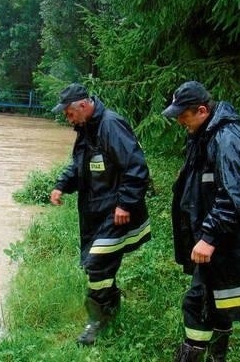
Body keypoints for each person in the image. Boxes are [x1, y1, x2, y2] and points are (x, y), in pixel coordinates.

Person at [162, 81, 240, 362]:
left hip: (227, 238)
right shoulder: (205, 132)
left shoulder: (228, 138)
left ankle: (191, 355)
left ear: (201, 110)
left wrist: (209, 236)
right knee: (217, 299)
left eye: (183, 115)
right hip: (224, 235)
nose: (179, 121)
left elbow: (237, 195)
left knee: (198, 300)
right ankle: (217, 357)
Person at [50, 83, 151, 346]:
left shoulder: (111, 125)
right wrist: (61, 185)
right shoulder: (86, 129)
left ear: (82, 106)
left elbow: (137, 168)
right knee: (101, 265)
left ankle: (96, 322)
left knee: (96, 264)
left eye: (69, 113)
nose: (67, 118)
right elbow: (79, 166)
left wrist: (125, 204)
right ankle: (112, 307)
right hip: (94, 213)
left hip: (116, 213)